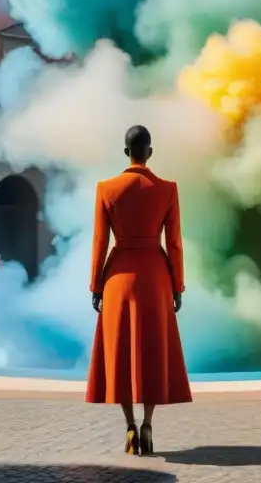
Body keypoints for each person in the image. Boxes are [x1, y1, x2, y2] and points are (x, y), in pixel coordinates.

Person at [86, 125, 191, 457]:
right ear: (150, 152)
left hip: (118, 277)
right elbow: (174, 243)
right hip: (156, 276)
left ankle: (129, 426)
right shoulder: (168, 189)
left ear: (126, 151)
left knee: (121, 354)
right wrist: (177, 285)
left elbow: (100, 242)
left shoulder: (106, 189)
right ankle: (147, 424)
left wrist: (96, 284)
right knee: (151, 352)